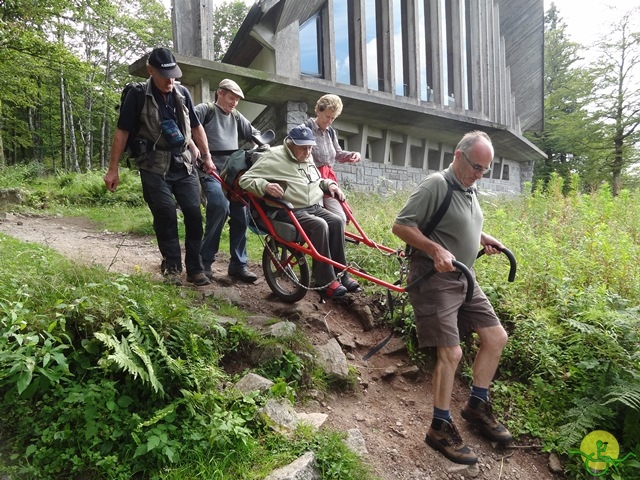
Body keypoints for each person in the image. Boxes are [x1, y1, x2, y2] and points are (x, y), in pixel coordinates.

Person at [391, 131, 512, 465]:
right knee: (452, 352)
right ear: (458, 155)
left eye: (485, 169)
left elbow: (459, 223)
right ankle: (439, 427)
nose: (480, 174)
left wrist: (484, 237)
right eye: (477, 166)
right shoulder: (436, 184)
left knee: (496, 336)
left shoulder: (468, 187)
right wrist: (434, 249)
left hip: (464, 276)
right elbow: (401, 226)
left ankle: (476, 405)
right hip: (433, 278)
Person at [104, 47, 214, 287]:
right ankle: (173, 267)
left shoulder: (183, 93)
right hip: (154, 166)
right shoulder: (138, 95)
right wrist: (113, 169)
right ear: (150, 70)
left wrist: (206, 156)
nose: (169, 80)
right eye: (164, 75)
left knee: (194, 215)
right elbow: (122, 132)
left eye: (173, 74)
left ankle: (195, 268)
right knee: (165, 213)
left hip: (183, 165)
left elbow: (196, 127)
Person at [238, 125, 360, 297]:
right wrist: (265, 185)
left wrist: (329, 184)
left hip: (312, 206)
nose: (308, 151)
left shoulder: (306, 155)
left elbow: (316, 180)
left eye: (310, 147)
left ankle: (342, 275)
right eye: (303, 148)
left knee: (337, 221)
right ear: (291, 144)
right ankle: (325, 281)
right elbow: (245, 179)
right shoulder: (274, 157)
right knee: (320, 226)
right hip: (288, 209)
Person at [193, 79, 261, 283]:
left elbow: (254, 133)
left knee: (242, 213)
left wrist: (262, 144)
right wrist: (195, 149)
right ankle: (204, 262)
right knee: (219, 205)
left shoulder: (237, 116)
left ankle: (238, 265)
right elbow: (186, 126)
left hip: (232, 173)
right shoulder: (205, 110)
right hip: (210, 168)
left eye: (237, 100)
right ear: (220, 93)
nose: (234, 103)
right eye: (232, 98)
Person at [304, 94, 361, 223]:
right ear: (318, 110)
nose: (329, 121)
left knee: (341, 217)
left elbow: (338, 153)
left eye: (333, 118)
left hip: (329, 181)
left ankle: (330, 241)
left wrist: (352, 155)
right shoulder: (305, 129)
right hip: (311, 181)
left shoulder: (331, 132)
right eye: (327, 117)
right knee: (324, 218)